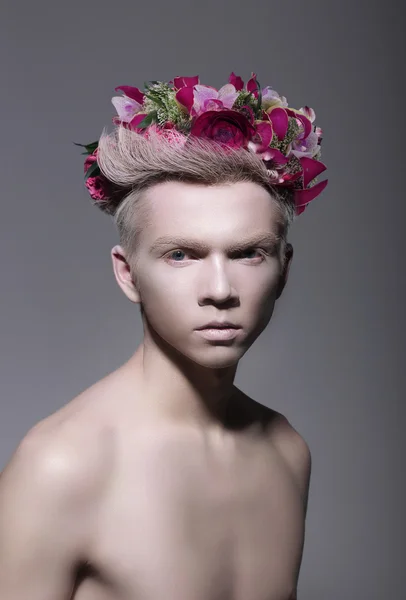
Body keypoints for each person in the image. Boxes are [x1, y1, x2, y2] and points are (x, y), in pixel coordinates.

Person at [0, 72, 328, 599]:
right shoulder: (60, 468)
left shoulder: (287, 451)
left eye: (248, 253)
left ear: (283, 269)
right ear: (127, 273)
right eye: (181, 254)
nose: (220, 290)